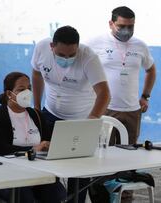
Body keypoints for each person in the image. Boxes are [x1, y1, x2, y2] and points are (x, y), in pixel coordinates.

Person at [31, 26, 110, 203]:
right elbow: (36, 74)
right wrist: (36, 107)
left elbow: (104, 93)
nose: (67, 59)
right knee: (45, 166)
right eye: (62, 54)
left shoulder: (89, 57)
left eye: (71, 55)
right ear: (52, 46)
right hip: (49, 114)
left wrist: (90, 122)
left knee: (79, 172)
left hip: (79, 121)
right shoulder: (41, 49)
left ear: (78, 47)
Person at [86, 6, 156, 203]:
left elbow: (151, 70)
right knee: (102, 159)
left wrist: (145, 96)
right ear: (111, 23)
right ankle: (101, 198)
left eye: (130, 26)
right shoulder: (94, 43)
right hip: (105, 110)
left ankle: (125, 199)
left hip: (132, 112)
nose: (126, 30)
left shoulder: (140, 45)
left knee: (128, 162)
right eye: (122, 26)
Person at [0, 72, 66, 203]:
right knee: (23, 196)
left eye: (29, 88)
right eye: (21, 89)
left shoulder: (36, 115)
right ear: (9, 94)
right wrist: (31, 149)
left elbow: (46, 140)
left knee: (55, 192)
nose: (27, 92)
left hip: (37, 171)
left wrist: (49, 146)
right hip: (6, 174)